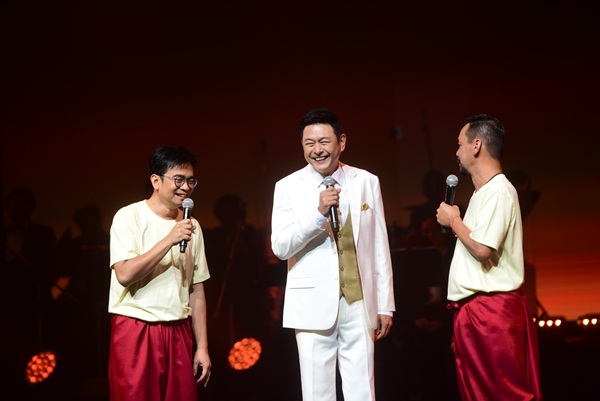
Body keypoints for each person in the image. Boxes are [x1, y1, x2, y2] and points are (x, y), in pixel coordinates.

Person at [271, 108, 395, 401]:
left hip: (359, 303)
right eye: (309, 143)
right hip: (311, 305)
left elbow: (379, 245)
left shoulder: (366, 181)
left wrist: (385, 304)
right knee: (317, 393)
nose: (317, 150)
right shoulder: (287, 187)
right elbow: (280, 246)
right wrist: (318, 214)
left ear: (342, 141)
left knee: (363, 391)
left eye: (324, 141)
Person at [436, 115, 543, 400]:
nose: (456, 152)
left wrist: (454, 221)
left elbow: (483, 250)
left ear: (476, 145)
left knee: (505, 393)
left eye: (460, 144)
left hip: (492, 310)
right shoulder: (481, 194)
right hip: (476, 310)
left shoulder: (499, 191)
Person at [108, 146, 211, 401]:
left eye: (191, 181)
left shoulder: (192, 225)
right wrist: (169, 239)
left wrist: (203, 347)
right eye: (178, 180)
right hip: (136, 328)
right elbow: (124, 274)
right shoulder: (129, 216)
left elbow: (196, 289)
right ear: (156, 180)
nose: (185, 187)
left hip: (178, 329)